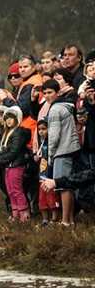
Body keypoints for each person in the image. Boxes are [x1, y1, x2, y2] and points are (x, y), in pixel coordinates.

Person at [43, 78, 80, 225]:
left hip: (62, 150)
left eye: (50, 92)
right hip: (70, 149)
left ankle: (65, 221)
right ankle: (69, 220)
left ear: (57, 92)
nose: (47, 96)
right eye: (44, 93)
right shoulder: (65, 106)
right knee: (68, 185)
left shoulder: (55, 109)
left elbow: (54, 135)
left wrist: (50, 155)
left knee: (63, 186)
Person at [0, 106, 31, 222]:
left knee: (16, 189)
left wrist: (0, 160)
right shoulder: (7, 132)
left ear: (17, 119)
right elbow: (6, 149)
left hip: (16, 165)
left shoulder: (18, 132)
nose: (9, 120)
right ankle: (15, 212)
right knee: (10, 190)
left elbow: (14, 151)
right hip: (8, 166)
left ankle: (24, 214)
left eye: (12, 118)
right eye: (7, 118)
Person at [34, 119, 59, 225]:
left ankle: (54, 219)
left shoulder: (51, 142)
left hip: (51, 175)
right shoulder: (40, 142)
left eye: (44, 129)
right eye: (39, 129)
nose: (41, 131)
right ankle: (45, 220)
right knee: (42, 198)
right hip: (42, 175)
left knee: (52, 196)